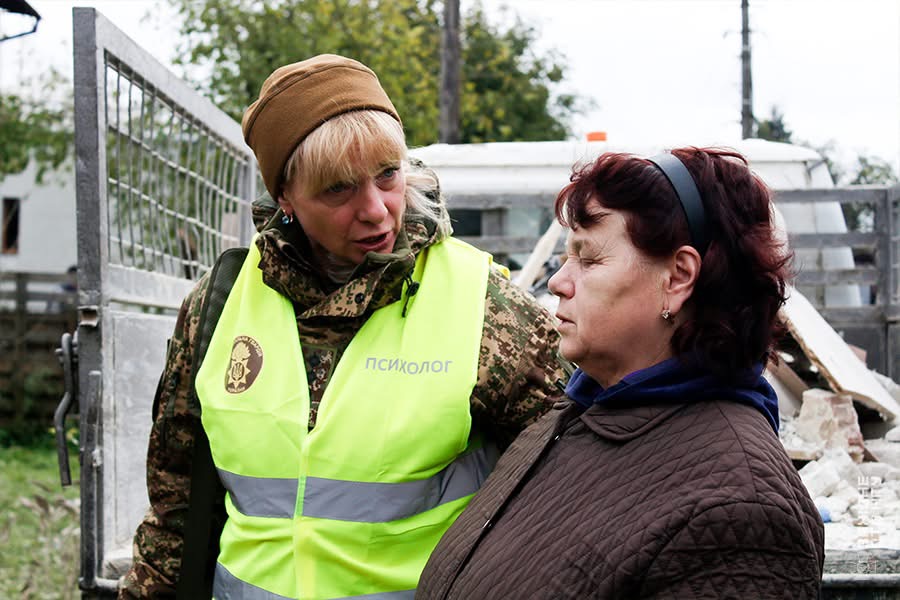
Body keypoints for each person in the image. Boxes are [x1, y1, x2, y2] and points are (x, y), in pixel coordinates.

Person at [119, 54, 567, 599]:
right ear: (285, 197)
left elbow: (568, 493)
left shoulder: (485, 307)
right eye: (338, 189)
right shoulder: (220, 305)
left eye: (388, 174)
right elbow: (175, 512)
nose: (376, 210)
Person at [417, 147, 825, 599]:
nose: (557, 282)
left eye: (589, 259)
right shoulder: (581, 413)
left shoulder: (742, 514)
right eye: (567, 257)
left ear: (678, 277)